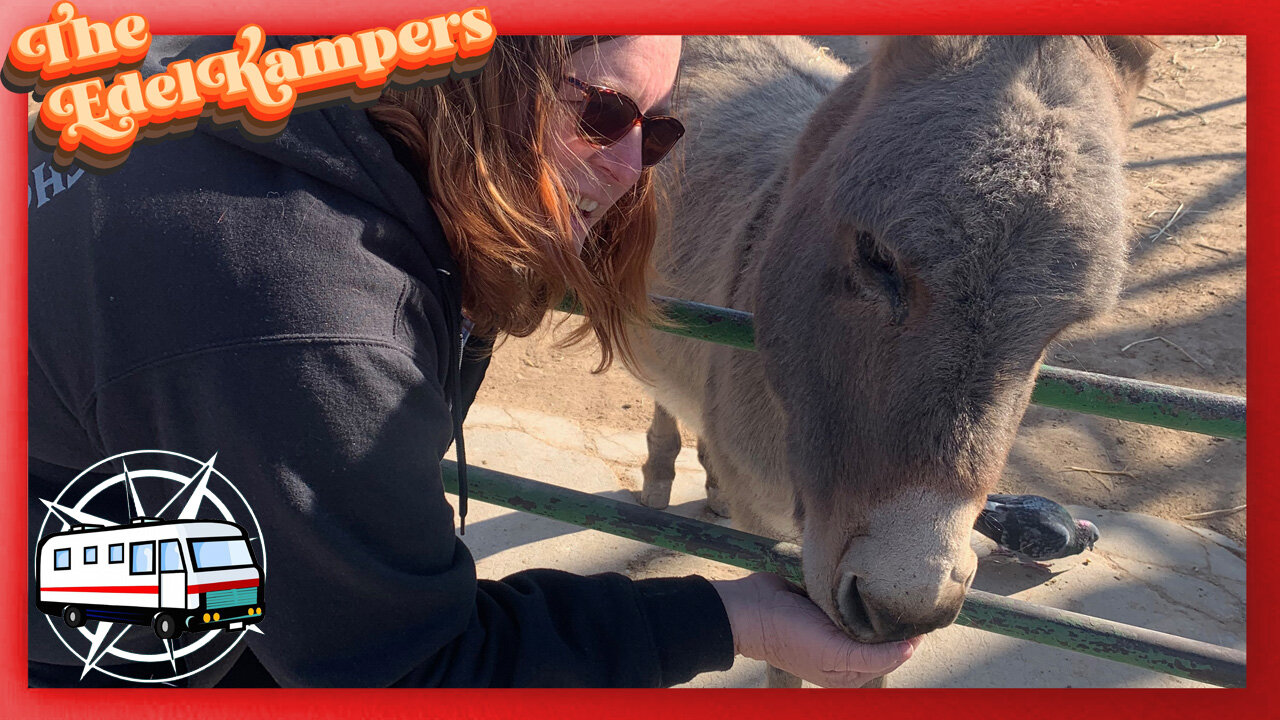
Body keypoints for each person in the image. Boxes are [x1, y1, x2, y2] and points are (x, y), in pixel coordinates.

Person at [27, 34, 920, 688]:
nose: (625, 171)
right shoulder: (310, 325)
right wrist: (733, 617)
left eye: (653, 135)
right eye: (601, 113)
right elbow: (414, 672)